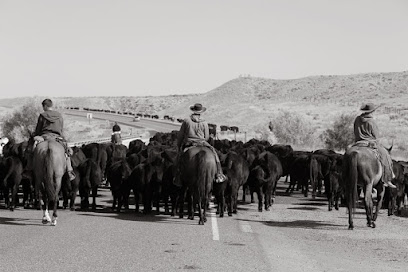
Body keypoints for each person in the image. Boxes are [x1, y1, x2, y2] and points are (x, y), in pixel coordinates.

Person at [175, 103, 226, 185]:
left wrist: (179, 145)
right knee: (214, 154)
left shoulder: (186, 121)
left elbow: (181, 135)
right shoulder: (204, 122)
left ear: (193, 110)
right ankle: (219, 174)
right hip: (202, 143)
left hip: (189, 143)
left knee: (180, 157)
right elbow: (206, 137)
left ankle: (178, 177)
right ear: (201, 112)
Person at [353, 103, 396, 188]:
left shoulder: (357, 119)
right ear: (372, 111)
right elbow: (376, 136)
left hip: (358, 142)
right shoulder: (371, 121)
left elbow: (355, 131)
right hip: (370, 143)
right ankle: (387, 178)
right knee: (386, 155)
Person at [34, 99, 76, 181]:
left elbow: (38, 129)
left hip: (44, 137)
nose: (43, 108)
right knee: (66, 152)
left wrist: (36, 135)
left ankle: (29, 169)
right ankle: (69, 171)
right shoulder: (59, 115)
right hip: (57, 137)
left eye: (43, 107)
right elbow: (61, 128)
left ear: (45, 106)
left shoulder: (42, 115)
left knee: (32, 149)